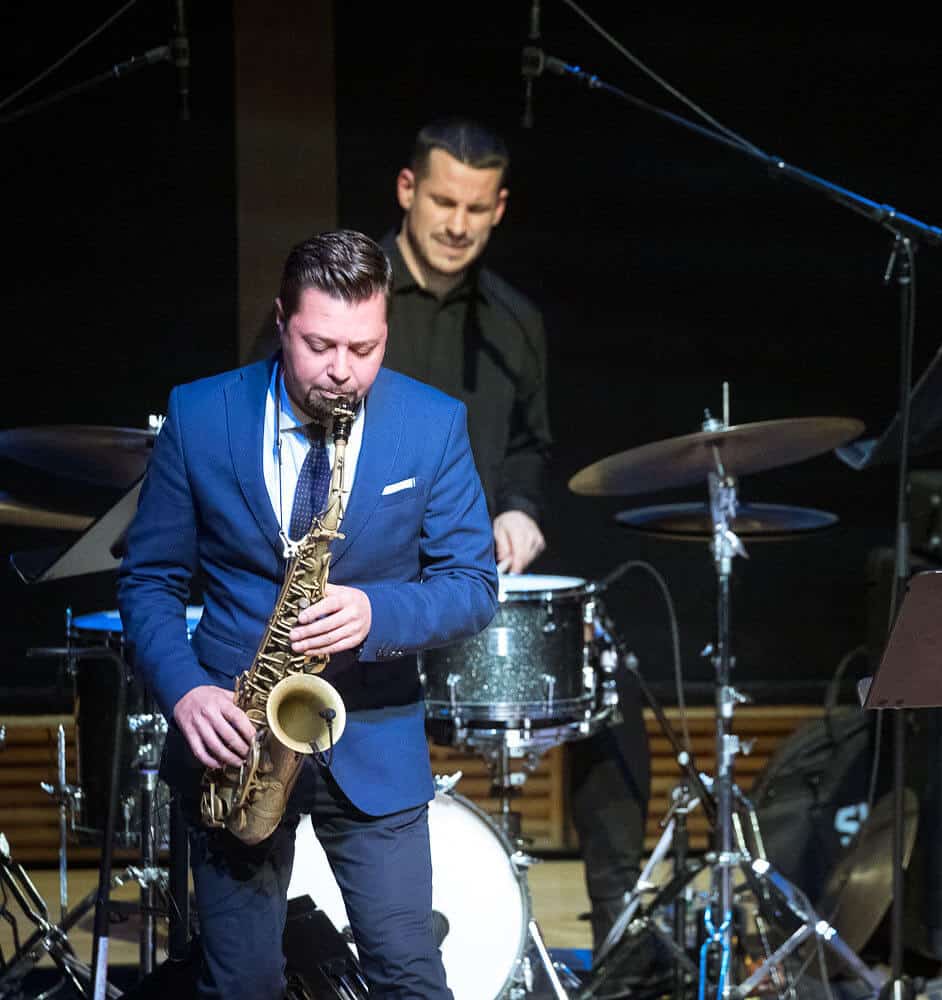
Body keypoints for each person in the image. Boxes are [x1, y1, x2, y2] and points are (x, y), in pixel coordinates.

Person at [118, 230, 498, 997]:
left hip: (374, 737)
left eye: (365, 347)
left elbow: (473, 586)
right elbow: (149, 580)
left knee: (411, 977)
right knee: (243, 983)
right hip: (236, 743)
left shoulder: (432, 423)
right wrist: (186, 692)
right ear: (281, 321)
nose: (343, 370)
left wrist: (376, 612)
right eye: (320, 345)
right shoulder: (200, 414)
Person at [378, 117, 653, 966]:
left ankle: (619, 934)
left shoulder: (514, 322)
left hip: (471, 581)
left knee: (609, 683)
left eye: (477, 208)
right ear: (407, 191)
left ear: (500, 209)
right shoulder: (346, 302)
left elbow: (533, 444)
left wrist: (522, 508)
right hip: (368, 587)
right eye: (443, 202)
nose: (457, 224)